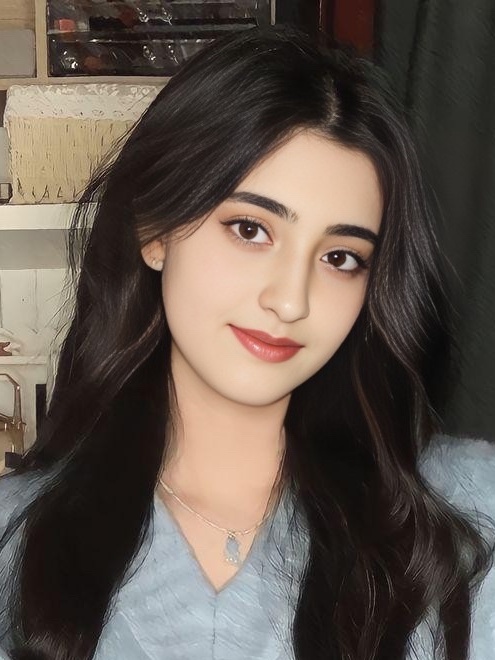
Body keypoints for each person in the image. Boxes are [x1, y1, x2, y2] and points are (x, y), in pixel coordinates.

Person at [0, 26, 494, 660]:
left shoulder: (465, 514)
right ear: (156, 230)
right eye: (250, 229)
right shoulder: (17, 536)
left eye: (340, 257)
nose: (291, 301)